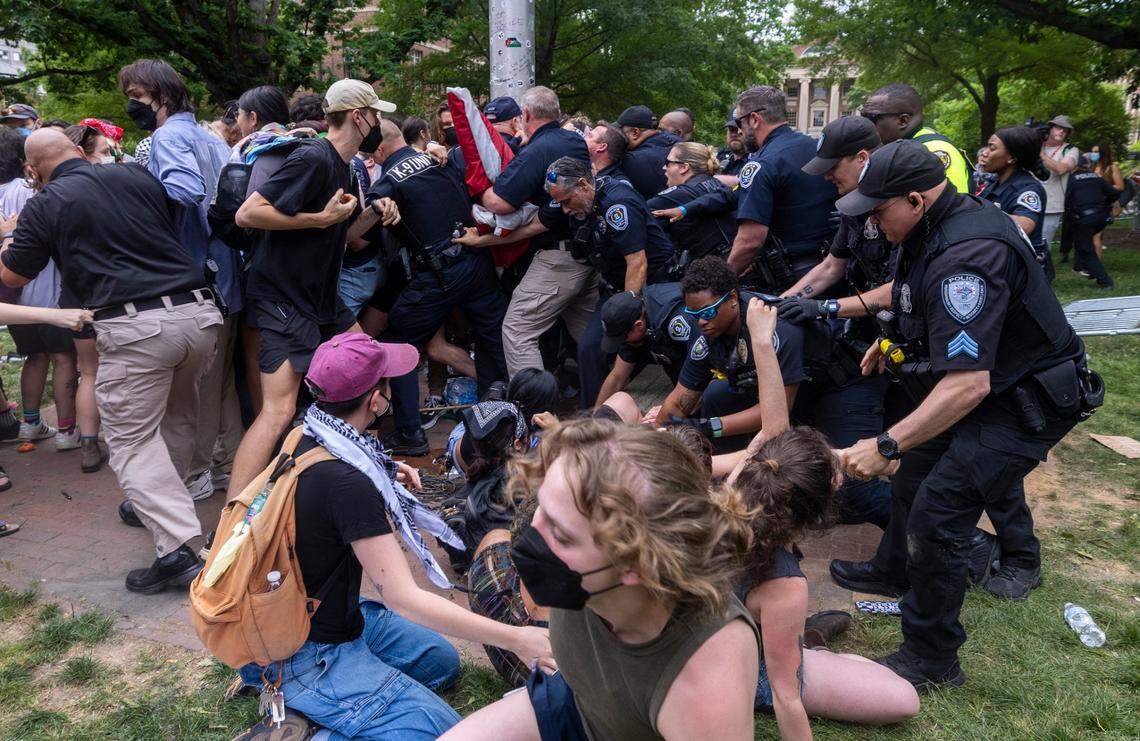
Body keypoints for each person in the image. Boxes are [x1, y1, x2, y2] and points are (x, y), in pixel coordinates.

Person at [833, 140, 1093, 688]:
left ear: (915, 198)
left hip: (1023, 400)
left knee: (940, 511)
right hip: (991, 385)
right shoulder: (933, 224)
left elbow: (968, 383)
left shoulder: (968, 251)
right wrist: (897, 341)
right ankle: (894, 570)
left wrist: (885, 444)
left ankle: (930, 658)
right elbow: (920, 299)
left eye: (879, 212)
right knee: (914, 478)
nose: (874, 225)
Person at [231, 333, 554, 740]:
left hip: (326, 615)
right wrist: (516, 638)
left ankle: (327, 701)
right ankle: (312, 728)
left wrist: (384, 471)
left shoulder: (309, 433)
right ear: (375, 401)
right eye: (387, 382)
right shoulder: (348, 484)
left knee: (441, 664)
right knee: (437, 731)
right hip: (306, 649)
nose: (391, 390)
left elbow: (337, 489)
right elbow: (405, 599)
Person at [1, 129, 224, 593]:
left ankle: (179, 549)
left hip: (135, 327)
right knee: (178, 419)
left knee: (131, 440)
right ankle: (157, 507)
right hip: (198, 314)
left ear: (32, 169)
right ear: (80, 152)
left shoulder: (46, 201)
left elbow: (15, 275)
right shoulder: (137, 176)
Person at [442, 419, 760, 741]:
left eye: (562, 535)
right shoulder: (590, 578)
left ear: (636, 565)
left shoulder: (704, 683)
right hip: (575, 705)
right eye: (542, 506)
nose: (534, 533)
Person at [725, 298, 919, 734]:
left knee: (820, 657)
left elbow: (774, 433)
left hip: (701, 642)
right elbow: (785, 698)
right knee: (901, 698)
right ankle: (801, 646)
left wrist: (761, 342)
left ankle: (801, 641)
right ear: (820, 509)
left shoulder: (737, 489)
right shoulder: (784, 583)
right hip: (730, 670)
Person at [225, 79, 400, 500]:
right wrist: (317, 220)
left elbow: (342, 235)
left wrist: (373, 212)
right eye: (376, 115)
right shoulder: (313, 157)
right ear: (358, 118)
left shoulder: (343, 165)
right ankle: (232, 517)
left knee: (372, 365)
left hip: (321, 300)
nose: (380, 123)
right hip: (283, 299)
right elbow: (249, 214)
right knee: (278, 410)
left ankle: (341, 470)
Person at [119, 58, 246, 502]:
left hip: (194, 278)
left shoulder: (168, 137)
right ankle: (230, 462)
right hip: (226, 275)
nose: (131, 106)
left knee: (192, 391)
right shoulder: (207, 137)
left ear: (163, 95)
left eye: (136, 97)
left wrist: (134, 209)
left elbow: (185, 190)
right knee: (221, 382)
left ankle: (194, 473)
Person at [367, 118, 508, 454]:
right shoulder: (437, 159)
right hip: (475, 259)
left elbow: (374, 207)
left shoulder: (391, 176)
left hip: (439, 273)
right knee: (492, 338)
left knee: (398, 343)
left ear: (379, 150)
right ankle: (499, 421)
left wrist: (375, 204)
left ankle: (409, 435)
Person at [474, 85, 591, 376]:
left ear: (525, 114)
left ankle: (534, 411)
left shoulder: (537, 151)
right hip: (585, 252)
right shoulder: (574, 141)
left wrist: (479, 188)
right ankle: (606, 405)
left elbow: (499, 203)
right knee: (588, 338)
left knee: (517, 330)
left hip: (557, 261)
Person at [544, 156, 675, 407]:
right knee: (590, 349)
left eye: (567, 201)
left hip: (653, 286)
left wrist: (627, 313)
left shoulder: (617, 204)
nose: (565, 210)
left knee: (663, 350)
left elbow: (637, 262)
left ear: (583, 184)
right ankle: (592, 420)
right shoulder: (584, 205)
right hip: (618, 286)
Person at [654, 256, 805, 451]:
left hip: (822, 388)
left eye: (707, 312)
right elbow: (679, 400)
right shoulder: (706, 331)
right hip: (757, 390)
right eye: (694, 315)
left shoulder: (776, 329)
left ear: (732, 298)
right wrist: (657, 436)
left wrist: (709, 427)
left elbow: (776, 413)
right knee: (714, 397)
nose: (700, 322)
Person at [0, 129, 79, 452]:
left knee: (35, 356)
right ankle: (66, 429)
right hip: (48, 289)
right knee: (63, 358)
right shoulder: (27, 190)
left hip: (15, 298)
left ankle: (30, 422)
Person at [728, 85, 838, 292]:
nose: (739, 130)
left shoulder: (763, 164)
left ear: (754, 119)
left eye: (739, 122)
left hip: (794, 276)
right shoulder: (816, 148)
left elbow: (750, 241)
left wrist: (724, 277)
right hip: (833, 267)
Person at [60, 125, 115, 471]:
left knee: (89, 372)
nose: (111, 159)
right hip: (111, 293)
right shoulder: (105, 193)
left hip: (74, 290)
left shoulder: (55, 193)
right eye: (106, 152)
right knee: (111, 370)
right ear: (84, 153)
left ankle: (89, 444)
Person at [861, 83, 970, 194]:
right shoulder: (901, 148)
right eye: (863, 116)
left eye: (872, 118)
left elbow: (955, 206)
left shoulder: (935, 151)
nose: (866, 124)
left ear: (903, 121)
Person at [595, 285, 695, 405]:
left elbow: (704, 366)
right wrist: (596, 418)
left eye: (622, 338)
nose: (622, 343)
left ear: (639, 325)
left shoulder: (675, 320)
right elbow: (617, 377)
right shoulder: (632, 319)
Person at [647, 141, 737, 269]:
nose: (664, 168)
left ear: (684, 167)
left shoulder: (680, 194)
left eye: (668, 163)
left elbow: (635, 214)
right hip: (732, 263)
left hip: (713, 272)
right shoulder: (717, 184)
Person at [977, 125, 1052, 278]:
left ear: (1011, 158)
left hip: (1024, 274)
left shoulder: (1028, 189)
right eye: (987, 146)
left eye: (992, 148)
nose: (984, 153)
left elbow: (1025, 224)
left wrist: (978, 216)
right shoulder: (994, 184)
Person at [1063, 154, 1119, 288]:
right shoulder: (1097, 178)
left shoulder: (1071, 180)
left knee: (1085, 247)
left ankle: (1105, 282)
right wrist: (1104, 206)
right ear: (1086, 166)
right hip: (1100, 218)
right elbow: (1115, 193)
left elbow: (1067, 202)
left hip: (1085, 218)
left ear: (1074, 167)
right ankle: (1091, 270)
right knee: (1084, 245)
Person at [613, 104, 682, 199]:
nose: (616, 136)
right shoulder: (678, 141)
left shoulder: (633, 160)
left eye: (620, 131)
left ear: (635, 133)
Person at [1038, 114, 1079, 248]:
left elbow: (1061, 169)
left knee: (1043, 247)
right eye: (1058, 127)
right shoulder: (1036, 144)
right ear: (1050, 128)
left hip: (1051, 206)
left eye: (1065, 129)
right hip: (1027, 202)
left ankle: (1042, 269)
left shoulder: (1070, 149)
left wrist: (1041, 154)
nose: (1062, 131)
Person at [1089, 142, 1124, 260]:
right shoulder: (1092, 167)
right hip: (1094, 204)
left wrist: (1102, 187)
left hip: (1108, 206)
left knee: (1096, 234)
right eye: (1092, 152)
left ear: (1103, 153)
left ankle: (1095, 266)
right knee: (1095, 234)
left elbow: (1120, 186)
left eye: (1096, 152)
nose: (1093, 154)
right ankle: (1092, 262)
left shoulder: (1111, 167)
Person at [716, 107, 748, 179]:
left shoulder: (758, 160)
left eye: (739, 129)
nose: (734, 134)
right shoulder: (720, 157)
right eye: (731, 129)